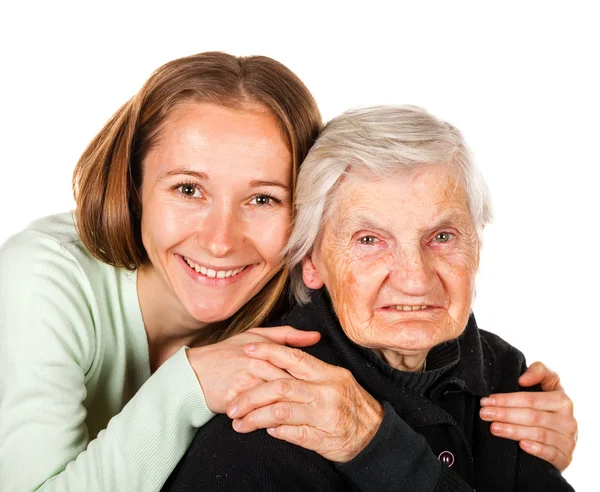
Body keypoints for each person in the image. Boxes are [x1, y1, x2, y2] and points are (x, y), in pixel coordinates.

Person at [0, 52, 574, 491]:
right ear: (133, 189)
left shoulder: (296, 304)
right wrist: (187, 387)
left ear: (305, 231)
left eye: (263, 199)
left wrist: (526, 439)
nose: (221, 239)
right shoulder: (40, 283)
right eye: (188, 189)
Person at [163, 105, 575, 491]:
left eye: (443, 237)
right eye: (370, 240)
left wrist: (379, 446)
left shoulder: (505, 375)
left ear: (478, 246)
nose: (415, 280)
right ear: (311, 261)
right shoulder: (271, 409)